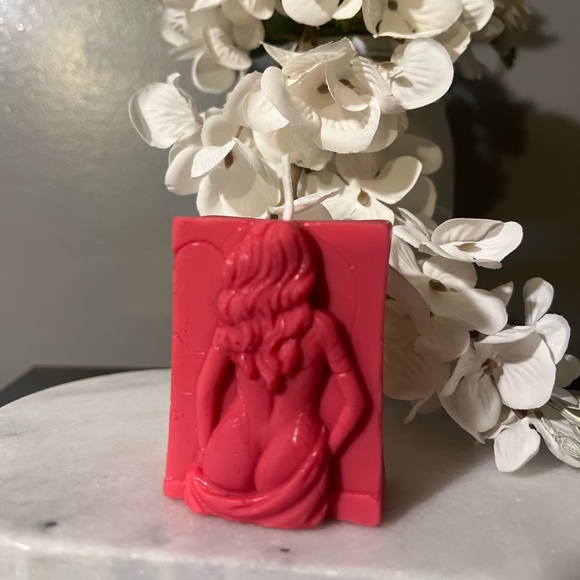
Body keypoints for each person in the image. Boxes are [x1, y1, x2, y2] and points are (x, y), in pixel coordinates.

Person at [184, 220, 365, 529]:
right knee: (264, 482)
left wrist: (204, 448)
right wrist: (322, 458)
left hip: (237, 434)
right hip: (294, 440)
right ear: (301, 267)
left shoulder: (233, 327)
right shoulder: (320, 329)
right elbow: (356, 403)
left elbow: (205, 390)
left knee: (216, 479)